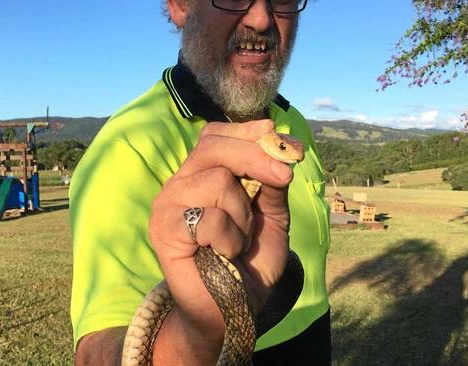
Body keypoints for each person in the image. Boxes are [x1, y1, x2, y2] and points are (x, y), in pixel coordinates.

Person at [69, 0, 331, 364]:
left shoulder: (292, 124)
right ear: (179, 6)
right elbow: (97, 351)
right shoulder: (126, 147)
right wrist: (198, 332)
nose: (261, 19)